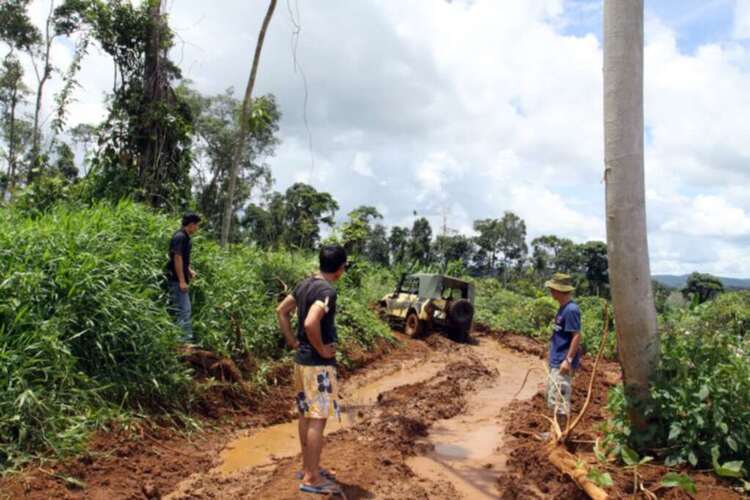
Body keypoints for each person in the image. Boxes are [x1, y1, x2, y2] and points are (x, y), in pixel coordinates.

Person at [276, 245, 347, 495]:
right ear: (340, 269)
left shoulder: (304, 284)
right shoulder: (327, 290)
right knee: (318, 419)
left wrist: (293, 342)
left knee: (305, 416)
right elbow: (310, 322)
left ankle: (308, 466)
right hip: (317, 364)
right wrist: (322, 349)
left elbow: (282, 311)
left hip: (301, 361)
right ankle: (312, 477)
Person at [545, 272, 582, 432]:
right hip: (556, 360)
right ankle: (555, 432)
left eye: (553, 289)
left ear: (560, 290)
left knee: (560, 400)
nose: (551, 292)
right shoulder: (562, 308)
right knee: (553, 398)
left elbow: (576, 336)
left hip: (562, 362)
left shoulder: (571, 310)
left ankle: (560, 437)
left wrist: (568, 360)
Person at [166, 213, 200, 344]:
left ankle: (180, 340)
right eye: (197, 225)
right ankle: (183, 342)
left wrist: (189, 271)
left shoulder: (185, 237)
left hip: (180, 278)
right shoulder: (180, 237)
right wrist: (181, 280)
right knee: (184, 310)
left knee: (181, 309)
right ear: (191, 224)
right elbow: (177, 258)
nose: (197, 228)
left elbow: (183, 260)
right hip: (176, 279)